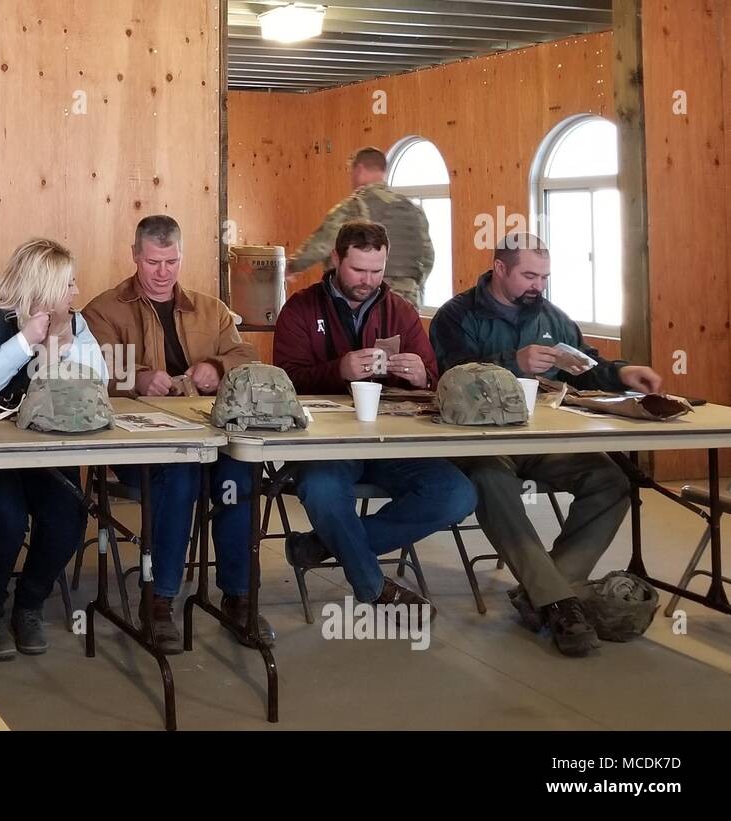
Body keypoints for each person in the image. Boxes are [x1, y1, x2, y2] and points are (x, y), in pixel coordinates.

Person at [429, 232, 663, 656]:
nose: (538, 285)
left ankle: (542, 591)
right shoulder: (456, 315)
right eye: (529, 275)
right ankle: (559, 603)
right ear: (499, 268)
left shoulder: (552, 317)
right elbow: (448, 376)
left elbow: (585, 366)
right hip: (481, 441)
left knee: (611, 480)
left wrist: (622, 373)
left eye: (544, 277)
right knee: (489, 481)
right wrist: (511, 362)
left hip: (542, 435)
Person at [84, 214, 272, 654]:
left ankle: (239, 596)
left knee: (239, 475)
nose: (163, 271)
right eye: (153, 262)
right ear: (135, 256)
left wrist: (218, 367)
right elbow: (93, 371)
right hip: (137, 448)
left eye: (171, 261)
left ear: (181, 256)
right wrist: (138, 381)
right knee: (182, 476)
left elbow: (245, 354)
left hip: (204, 437)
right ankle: (160, 601)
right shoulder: (103, 310)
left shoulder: (212, 310)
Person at [273, 220, 475, 611]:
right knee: (321, 489)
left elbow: (434, 381)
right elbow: (284, 382)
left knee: (457, 493)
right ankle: (374, 587)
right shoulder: (300, 309)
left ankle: (323, 544)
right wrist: (338, 370)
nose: (367, 280)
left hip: (393, 442)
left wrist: (423, 376)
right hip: (325, 445)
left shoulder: (400, 310)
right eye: (358, 270)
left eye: (376, 270)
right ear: (335, 260)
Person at [0, 238, 108, 661]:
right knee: (7, 516)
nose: (75, 292)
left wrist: (66, 345)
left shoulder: (75, 323)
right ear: (44, 287)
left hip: (43, 455)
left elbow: (99, 383)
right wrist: (24, 341)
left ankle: (30, 603)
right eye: (68, 284)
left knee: (68, 513)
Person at [290, 147, 434, 308]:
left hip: (367, 300)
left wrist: (290, 267)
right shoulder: (413, 210)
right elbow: (428, 258)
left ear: (359, 169)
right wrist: (409, 286)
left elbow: (320, 245)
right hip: (407, 303)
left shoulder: (354, 206)